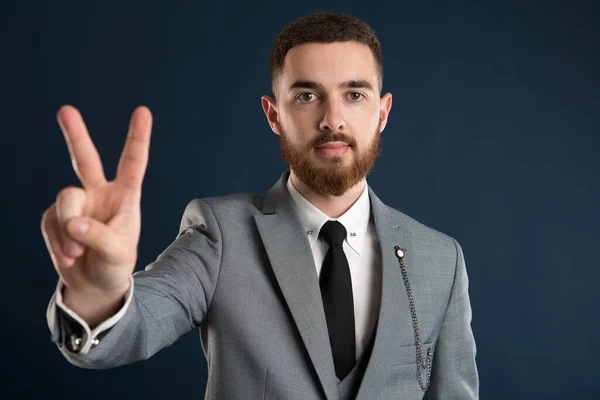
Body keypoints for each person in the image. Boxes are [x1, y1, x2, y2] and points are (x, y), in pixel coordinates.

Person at [42, 11, 479, 400]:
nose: (332, 119)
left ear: (382, 113)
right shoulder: (220, 234)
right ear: (273, 115)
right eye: (308, 96)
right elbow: (135, 325)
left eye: (355, 94)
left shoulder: (440, 259)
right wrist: (99, 296)